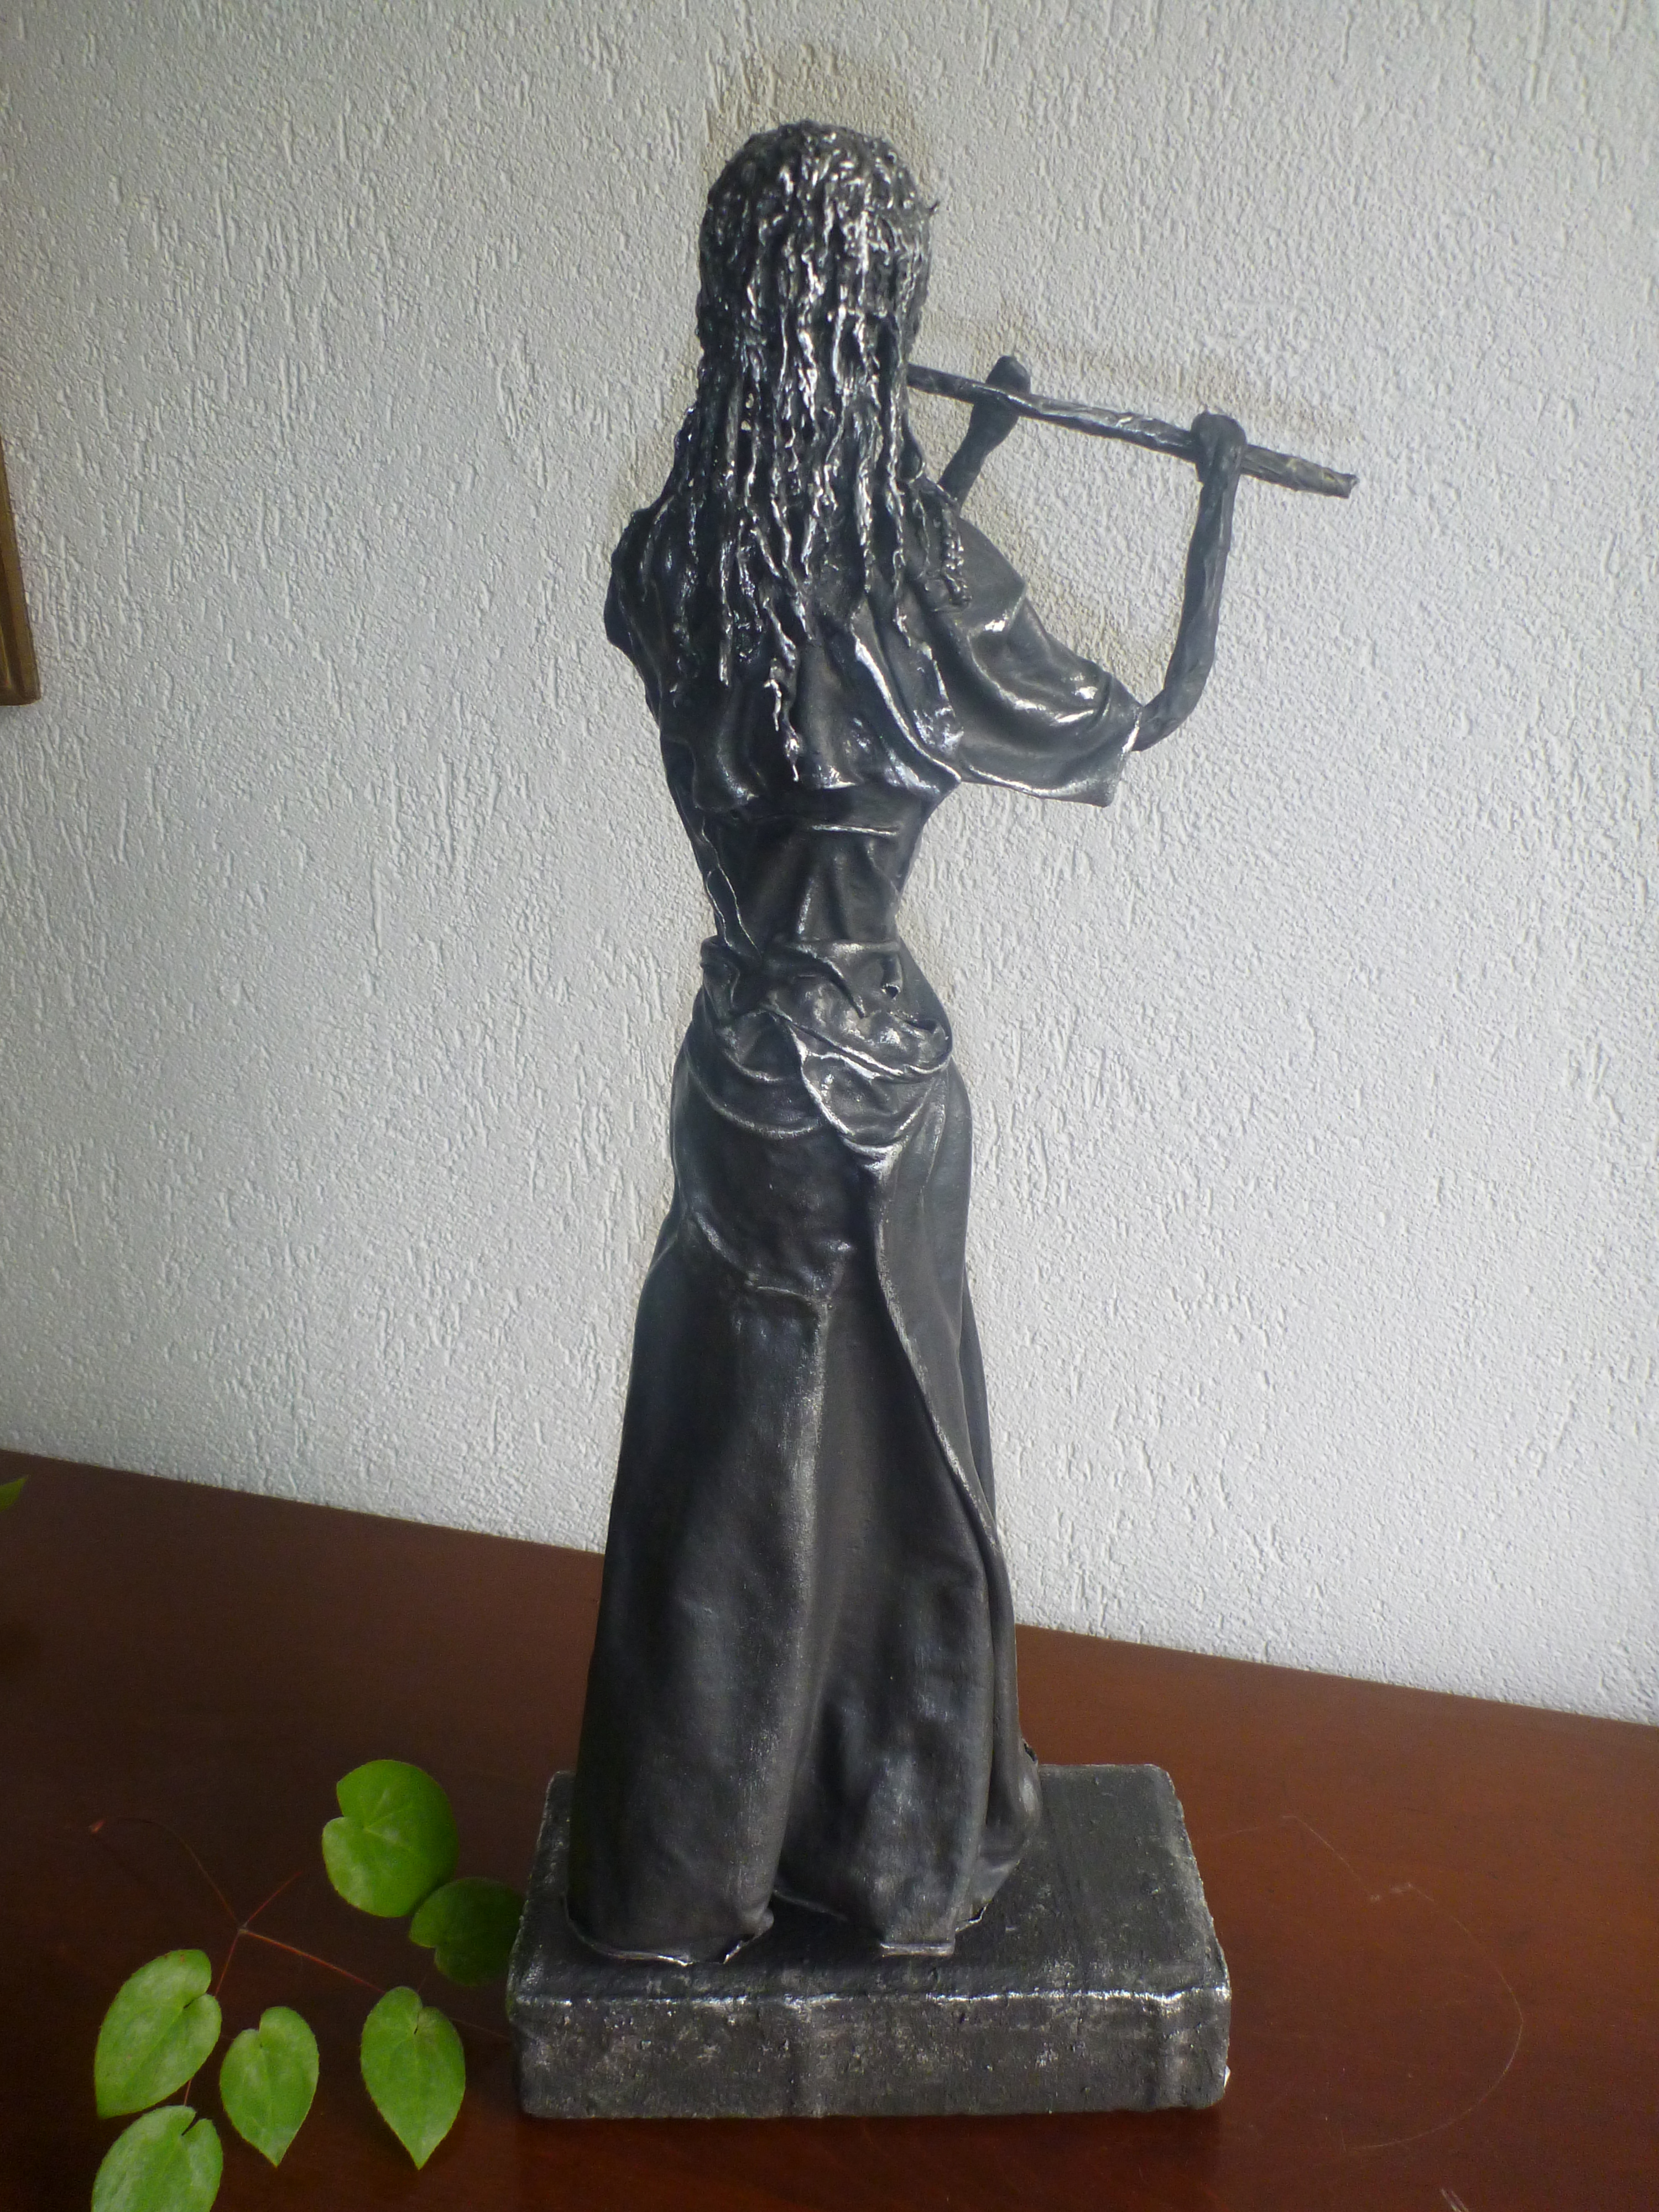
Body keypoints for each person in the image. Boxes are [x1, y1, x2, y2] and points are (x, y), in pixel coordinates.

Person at [566, 121, 1245, 1965]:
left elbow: (819, 651)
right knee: (900, 1486)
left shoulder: (674, 558)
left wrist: (976, 454)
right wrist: (1216, 500)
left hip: (737, 1072)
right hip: (872, 1092)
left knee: (732, 1474)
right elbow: (1138, 713)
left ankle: (685, 1867)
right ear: (882, 313)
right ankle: (889, 1857)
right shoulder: (920, 577)